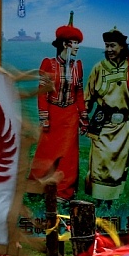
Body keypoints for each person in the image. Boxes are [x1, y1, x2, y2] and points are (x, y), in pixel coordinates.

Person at [83, 28, 129, 205]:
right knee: (100, 163)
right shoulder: (99, 68)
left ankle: (110, 204)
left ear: (122, 46)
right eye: (107, 46)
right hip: (102, 123)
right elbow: (88, 95)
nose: (109, 49)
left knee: (117, 165)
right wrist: (83, 116)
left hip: (122, 126)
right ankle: (97, 201)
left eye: (112, 46)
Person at [27, 15, 87, 201]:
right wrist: (44, 117)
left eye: (77, 43)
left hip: (70, 115)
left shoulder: (78, 66)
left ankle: (63, 192)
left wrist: (83, 117)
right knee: (46, 152)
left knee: (68, 156)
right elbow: (42, 92)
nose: (77, 47)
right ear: (64, 44)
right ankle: (37, 188)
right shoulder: (49, 64)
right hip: (53, 113)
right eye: (74, 43)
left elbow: (79, 93)